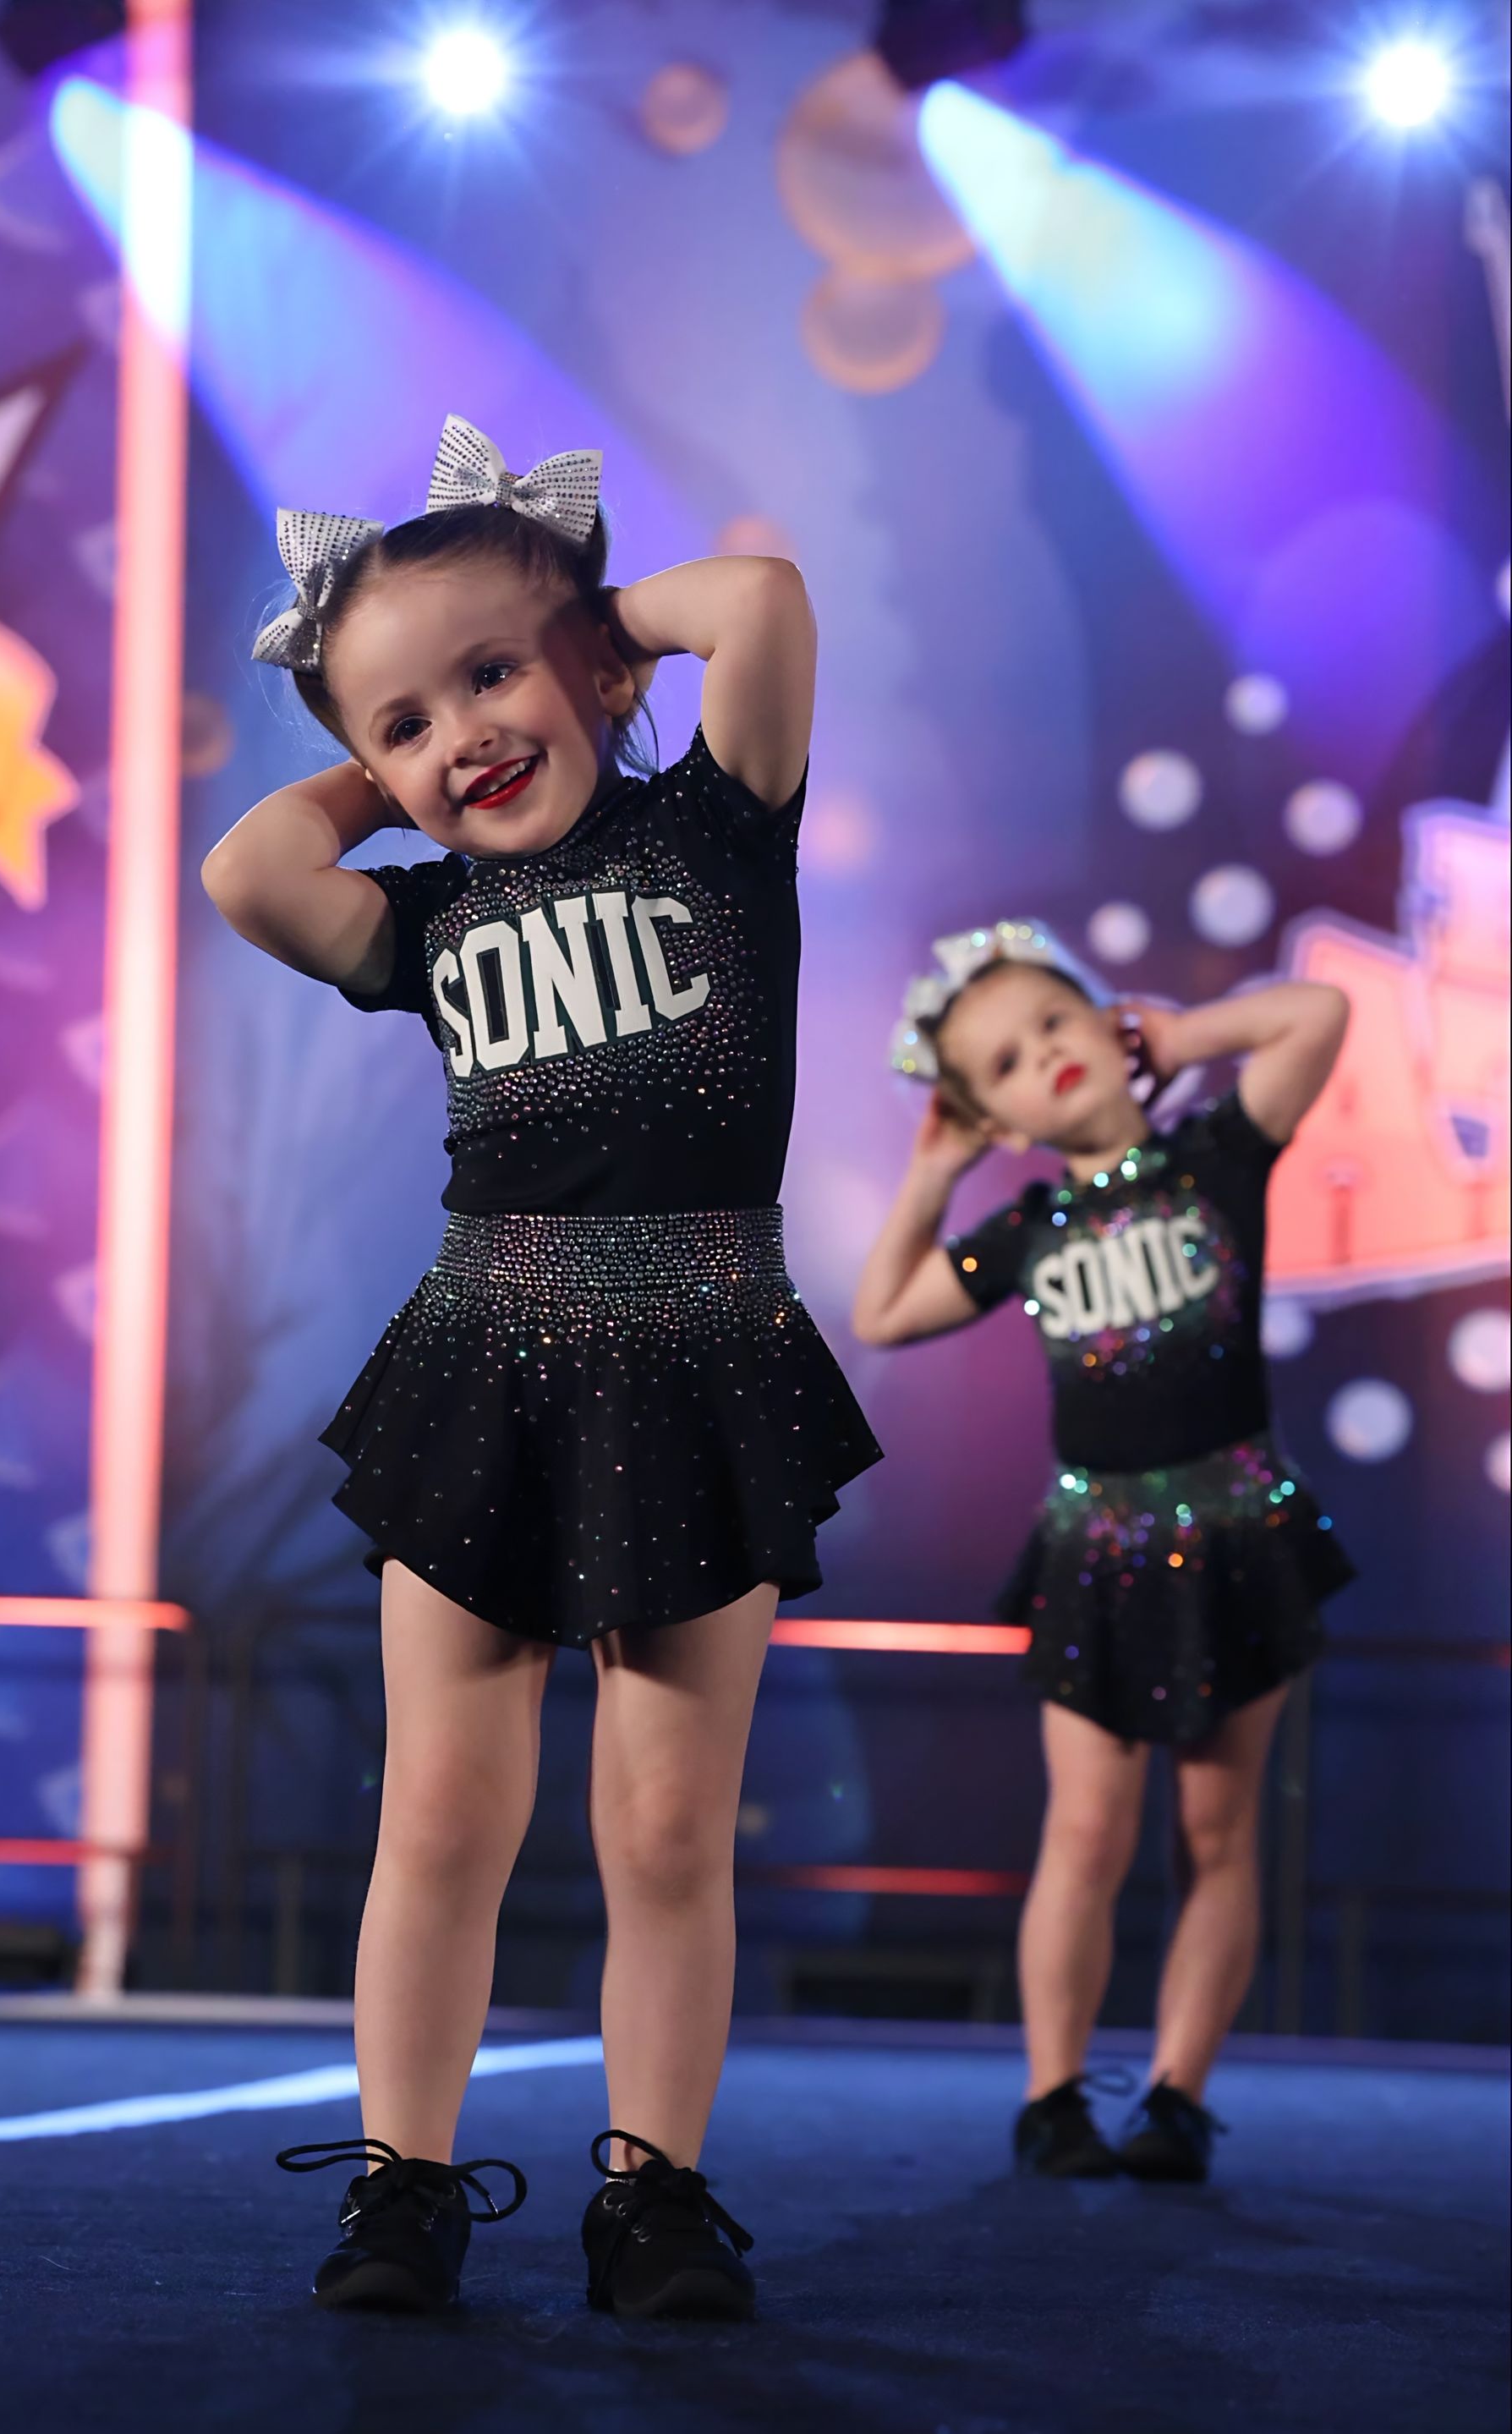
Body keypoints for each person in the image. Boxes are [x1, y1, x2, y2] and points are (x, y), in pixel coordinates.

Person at [203, 417, 879, 2317]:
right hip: (485, 1361)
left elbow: (756, 601)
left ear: (594, 663)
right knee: (444, 1804)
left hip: (698, 1355)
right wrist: (384, 762)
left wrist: (594, 627)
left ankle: (651, 2189)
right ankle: (404, 2181)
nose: (460, 738)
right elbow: (248, 870)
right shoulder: (427, 914)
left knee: (667, 1819)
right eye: (406, 725)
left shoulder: (720, 826)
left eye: (493, 676)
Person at [852, 922, 1353, 2183]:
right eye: (1009, 1061)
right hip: (1098, 1550)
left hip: (1238, 1530)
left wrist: (1185, 1035)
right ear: (998, 1115)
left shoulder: (1216, 1157)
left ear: (1109, 1021)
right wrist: (932, 1171)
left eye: (1056, 1022)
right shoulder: (1025, 1227)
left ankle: (1179, 2092)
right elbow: (881, 1312)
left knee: (1218, 1831)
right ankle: (1053, 2091)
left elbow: (1319, 1013)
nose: (1046, 1056)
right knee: (1084, 1830)